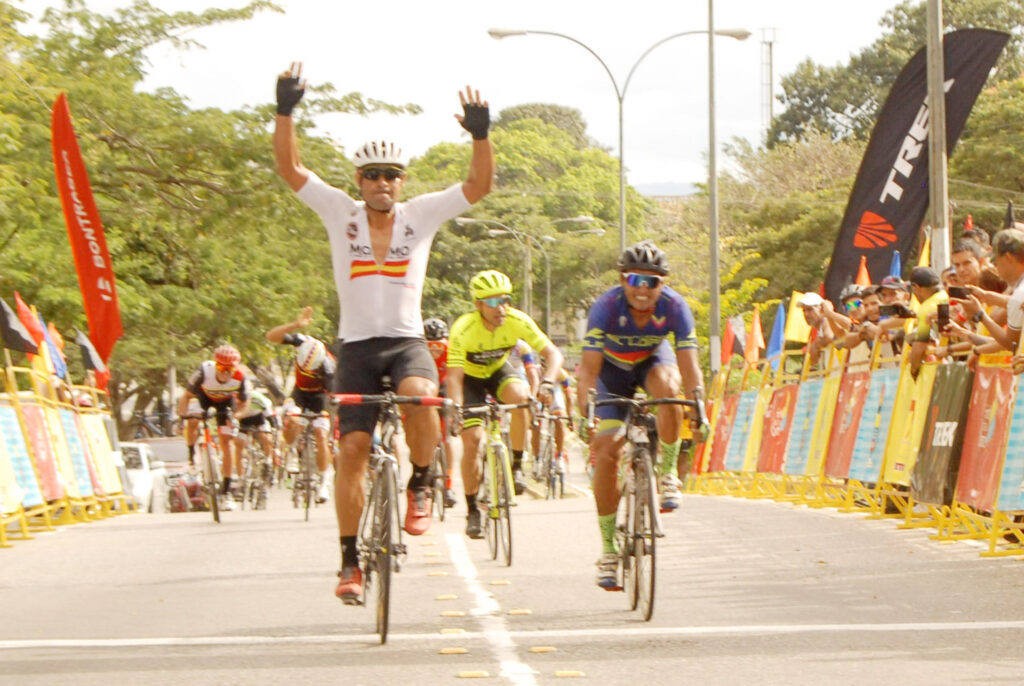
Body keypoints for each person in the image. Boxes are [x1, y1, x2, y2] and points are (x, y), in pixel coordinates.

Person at [272, 62, 494, 603]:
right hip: (355, 347)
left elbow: (477, 185)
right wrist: (285, 110)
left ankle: (421, 480)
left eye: (391, 174)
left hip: (405, 341)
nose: (381, 184)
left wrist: (481, 136)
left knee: (421, 398)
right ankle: (349, 563)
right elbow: (290, 167)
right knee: (351, 448)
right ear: (359, 181)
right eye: (372, 175)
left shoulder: (420, 215)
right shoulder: (338, 212)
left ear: (402, 180)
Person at [576, 241, 709, 589]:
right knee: (606, 454)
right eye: (636, 280)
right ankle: (608, 549)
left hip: (652, 363)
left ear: (662, 285)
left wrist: (698, 407)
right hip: (611, 373)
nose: (643, 289)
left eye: (652, 282)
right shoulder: (605, 307)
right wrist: (584, 413)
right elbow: (588, 371)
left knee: (669, 389)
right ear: (623, 280)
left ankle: (667, 475)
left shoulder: (675, 307)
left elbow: (689, 366)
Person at [446, 270, 563, 539]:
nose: (501, 307)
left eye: (505, 299)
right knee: (472, 441)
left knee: (522, 399)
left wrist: (547, 382)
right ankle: (473, 509)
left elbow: (553, 354)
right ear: (478, 305)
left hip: (499, 372)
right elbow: (454, 377)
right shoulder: (463, 328)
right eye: (492, 301)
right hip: (470, 381)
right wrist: (455, 408)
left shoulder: (517, 320)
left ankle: (517, 466)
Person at [265, 306, 336, 504]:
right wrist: (295, 325)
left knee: (321, 435)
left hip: (319, 397)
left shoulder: (328, 368)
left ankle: (323, 481)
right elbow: (270, 336)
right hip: (299, 394)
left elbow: (333, 397)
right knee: (293, 420)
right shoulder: (303, 341)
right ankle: (292, 452)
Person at [177, 344, 251, 511]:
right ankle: (191, 457)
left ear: (236, 367)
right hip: (203, 397)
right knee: (193, 420)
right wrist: (182, 418)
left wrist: (236, 417)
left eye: (229, 368)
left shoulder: (241, 377)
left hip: (226, 403)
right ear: (215, 364)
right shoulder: (204, 371)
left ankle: (226, 491)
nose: (225, 372)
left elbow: (244, 403)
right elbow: (186, 397)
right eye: (221, 367)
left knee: (226, 441)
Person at [424, 317, 459, 509]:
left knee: (446, 439)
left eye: (439, 344)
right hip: (427, 386)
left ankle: (448, 485)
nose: (435, 348)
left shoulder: (452, 349)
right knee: (424, 435)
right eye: (431, 344)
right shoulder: (418, 351)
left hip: (445, 387)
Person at [907, 266, 949, 378]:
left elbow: (920, 345)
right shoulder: (947, 296)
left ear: (916, 287)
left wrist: (913, 370)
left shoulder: (926, 308)